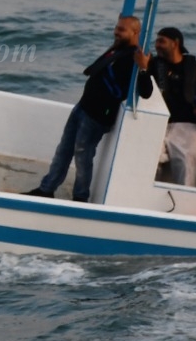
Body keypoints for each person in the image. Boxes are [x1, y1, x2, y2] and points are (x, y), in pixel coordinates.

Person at [25, 14, 153, 202]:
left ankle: (80, 197)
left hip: (98, 116)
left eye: (121, 29)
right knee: (64, 150)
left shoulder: (136, 56)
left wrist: (143, 68)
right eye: (116, 27)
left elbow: (147, 91)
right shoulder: (117, 49)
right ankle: (47, 189)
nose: (116, 32)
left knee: (82, 157)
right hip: (83, 106)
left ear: (135, 32)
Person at [148, 26, 196, 187]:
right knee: (150, 158)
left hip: (188, 125)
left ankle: (183, 198)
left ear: (175, 43)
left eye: (162, 41)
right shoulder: (153, 66)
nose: (157, 45)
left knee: (187, 159)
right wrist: (143, 67)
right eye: (156, 41)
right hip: (159, 123)